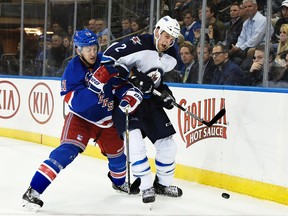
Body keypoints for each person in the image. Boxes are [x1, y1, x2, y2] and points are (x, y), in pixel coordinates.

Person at [21, 29, 142, 212]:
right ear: (78, 50)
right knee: (65, 152)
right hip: (81, 120)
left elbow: (120, 84)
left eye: (94, 47)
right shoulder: (72, 70)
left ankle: (118, 183)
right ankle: (33, 191)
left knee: (119, 162)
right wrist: (95, 85)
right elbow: (77, 104)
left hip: (107, 121)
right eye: (87, 49)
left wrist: (129, 94)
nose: (92, 52)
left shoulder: (106, 60)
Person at [101, 15, 183, 204]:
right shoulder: (138, 43)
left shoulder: (172, 55)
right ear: (156, 31)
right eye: (165, 36)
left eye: (172, 39)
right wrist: (132, 75)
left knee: (168, 145)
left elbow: (157, 79)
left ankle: (163, 184)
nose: (168, 42)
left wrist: (165, 93)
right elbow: (107, 59)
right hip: (127, 98)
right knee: (136, 143)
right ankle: (146, 185)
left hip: (150, 102)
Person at [228, 0, 273, 65]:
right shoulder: (246, 22)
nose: (247, 9)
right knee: (228, 57)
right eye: (245, 7)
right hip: (246, 48)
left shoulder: (263, 20)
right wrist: (236, 47)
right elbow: (242, 38)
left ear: (256, 7)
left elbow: (255, 40)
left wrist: (239, 48)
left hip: (260, 48)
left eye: (249, 6)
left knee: (238, 60)